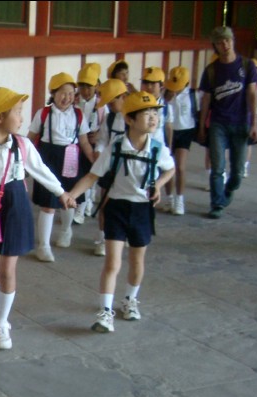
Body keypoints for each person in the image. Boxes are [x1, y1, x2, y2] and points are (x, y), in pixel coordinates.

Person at [0, 87, 76, 348]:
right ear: (0, 117)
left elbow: (41, 171)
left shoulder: (23, 145)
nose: (21, 118)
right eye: (18, 112)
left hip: (15, 205)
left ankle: (1, 323)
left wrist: (62, 193)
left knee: (7, 269)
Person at [67, 92, 175, 333]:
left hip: (142, 210)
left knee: (137, 259)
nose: (153, 118)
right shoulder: (115, 149)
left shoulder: (157, 149)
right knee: (112, 262)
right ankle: (105, 312)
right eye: (147, 114)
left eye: (155, 113)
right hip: (116, 207)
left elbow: (170, 170)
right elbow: (93, 175)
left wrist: (158, 185)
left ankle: (130, 300)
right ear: (129, 120)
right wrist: (72, 195)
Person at [28, 72, 95, 262]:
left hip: (71, 158)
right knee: (48, 204)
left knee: (70, 198)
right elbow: (31, 138)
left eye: (71, 93)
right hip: (48, 158)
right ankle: (44, 245)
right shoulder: (43, 113)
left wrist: (93, 161)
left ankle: (66, 231)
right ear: (53, 93)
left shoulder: (79, 114)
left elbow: (84, 142)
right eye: (63, 93)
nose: (67, 97)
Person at [198, 26, 257, 219]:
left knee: (238, 172)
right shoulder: (211, 71)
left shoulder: (248, 66)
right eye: (220, 42)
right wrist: (202, 127)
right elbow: (206, 100)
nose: (225, 45)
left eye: (227, 40)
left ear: (232, 40)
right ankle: (216, 204)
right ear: (215, 46)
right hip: (218, 123)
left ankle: (228, 191)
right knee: (217, 167)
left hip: (240, 122)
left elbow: (252, 94)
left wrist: (254, 123)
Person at [91, 78, 129, 257]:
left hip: (129, 169)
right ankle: (102, 238)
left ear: (123, 97)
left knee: (126, 204)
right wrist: (98, 153)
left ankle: (123, 235)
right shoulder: (109, 118)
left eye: (113, 102)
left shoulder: (135, 117)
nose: (111, 106)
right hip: (110, 167)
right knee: (104, 203)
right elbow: (102, 141)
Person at [163, 66, 199, 215]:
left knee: (180, 167)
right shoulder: (166, 95)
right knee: (167, 166)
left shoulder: (193, 95)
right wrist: (167, 99)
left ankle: (180, 200)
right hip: (168, 131)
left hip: (185, 132)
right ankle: (169, 198)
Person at [139, 66, 174, 208]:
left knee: (168, 169)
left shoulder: (165, 107)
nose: (149, 87)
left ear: (161, 86)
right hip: (141, 145)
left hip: (158, 145)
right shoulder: (138, 104)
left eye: (153, 84)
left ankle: (171, 198)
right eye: (146, 83)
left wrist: (169, 146)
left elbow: (168, 127)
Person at [74, 62, 104, 223]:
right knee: (80, 174)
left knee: (90, 174)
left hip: (92, 143)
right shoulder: (75, 102)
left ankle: (86, 203)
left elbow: (105, 126)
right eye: (82, 86)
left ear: (97, 86)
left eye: (89, 87)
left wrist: (98, 135)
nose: (85, 91)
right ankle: (82, 205)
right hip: (77, 144)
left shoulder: (101, 105)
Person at [245, 58, 257, 178]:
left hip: (255, 114)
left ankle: (245, 166)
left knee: (248, 142)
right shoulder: (244, 83)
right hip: (243, 114)